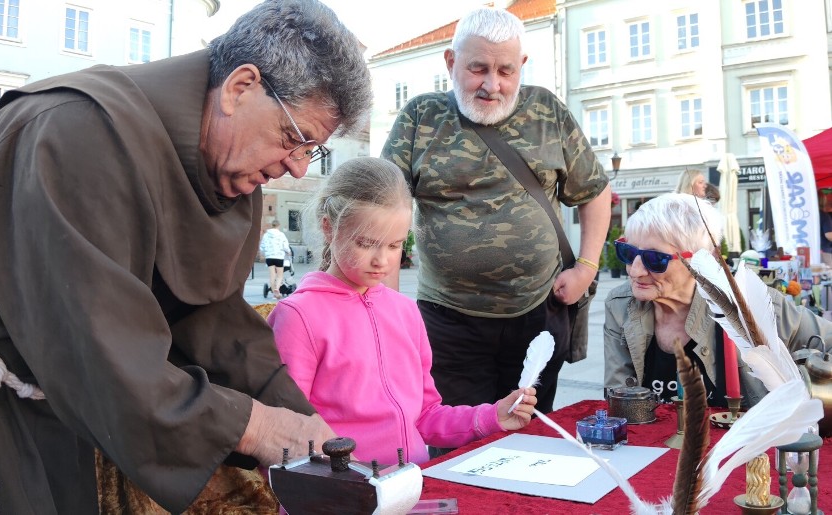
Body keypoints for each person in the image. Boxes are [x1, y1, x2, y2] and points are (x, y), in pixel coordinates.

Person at [0, 0, 372, 512]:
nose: (297, 170)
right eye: (294, 139)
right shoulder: (75, 132)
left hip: (54, 414)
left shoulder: (228, 164)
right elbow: (100, 348)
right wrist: (254, 427)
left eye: (311, 151)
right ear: (240, 87)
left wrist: (305, 431)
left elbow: (214, 319)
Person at [380, 6, 611, 434]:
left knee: (530, 433)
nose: (492, 85)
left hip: (538, 315)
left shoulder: (548, 112)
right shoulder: (420, 117)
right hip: (448, 321)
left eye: (506, 70)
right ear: (451, 62)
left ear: (521, 65)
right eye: (478, 68)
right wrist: (390, 309)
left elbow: (594, 192)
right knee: (456, 439)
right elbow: (384, 207)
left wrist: (587, 267)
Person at [267, 157, 537, 465]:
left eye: (395, 245)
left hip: (411, 485)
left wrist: (491, 416)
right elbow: (286, 430)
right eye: (367, 244)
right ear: (329, 227)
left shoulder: (406, 312)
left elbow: (424, 416)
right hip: (339, 494)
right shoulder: (300, 316)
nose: (382, 260)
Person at [603, 193, 832, 408]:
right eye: (628, 252)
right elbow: (618, 397)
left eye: (655, 259)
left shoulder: (752, 305)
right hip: (651, 447)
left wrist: (810, 396)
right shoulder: (620, 305)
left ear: (702, 258)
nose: (635, 271)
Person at [260, 219, 292, 299]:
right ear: (278, 226)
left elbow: (262, 247)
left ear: (272, 225)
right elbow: (285, 246)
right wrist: (288, 252)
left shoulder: (266, 235)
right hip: (279, 257)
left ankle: (273, 291)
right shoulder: (281, 235)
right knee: (279, 275)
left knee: (272, 275)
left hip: (269, 257)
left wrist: (265, 253)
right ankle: (277, 289)